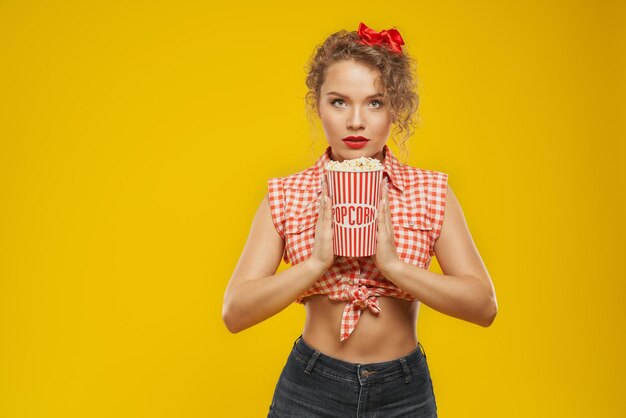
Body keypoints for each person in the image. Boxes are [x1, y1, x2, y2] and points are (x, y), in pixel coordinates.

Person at [222, 22, 498, 417]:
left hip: (403, 390)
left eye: (374, 102)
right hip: (310, 387)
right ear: (318, 105)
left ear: (395, 108)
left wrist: (393, 266)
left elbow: (483, 306)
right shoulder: (286, 194)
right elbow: (235, 312)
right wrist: (317, 262)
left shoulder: (430, 191)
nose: (355, 121)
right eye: (338, 102)